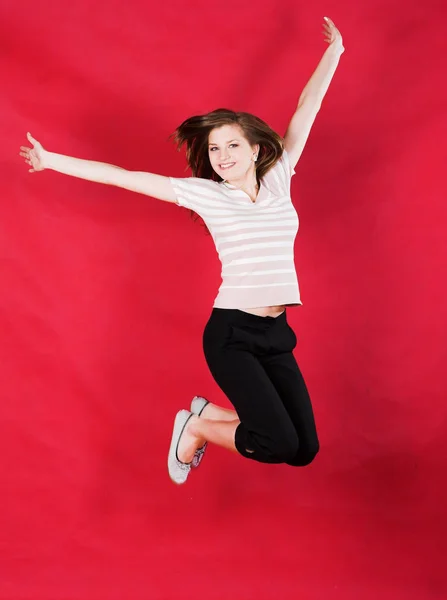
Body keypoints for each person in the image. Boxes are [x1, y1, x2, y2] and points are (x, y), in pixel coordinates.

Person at [20, 17, 344, 484]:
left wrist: (334, 52)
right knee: (277, 442)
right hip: (232, 334)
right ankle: (195, 426)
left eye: (233, 145)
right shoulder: (206, 193)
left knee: (304, 450)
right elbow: (124, 176)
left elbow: (305, 110)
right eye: (215, 149)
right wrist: (52, 161)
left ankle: (205, 414)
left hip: (277, 334)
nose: (223, 156)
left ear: (256, 150)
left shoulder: (278, 179)